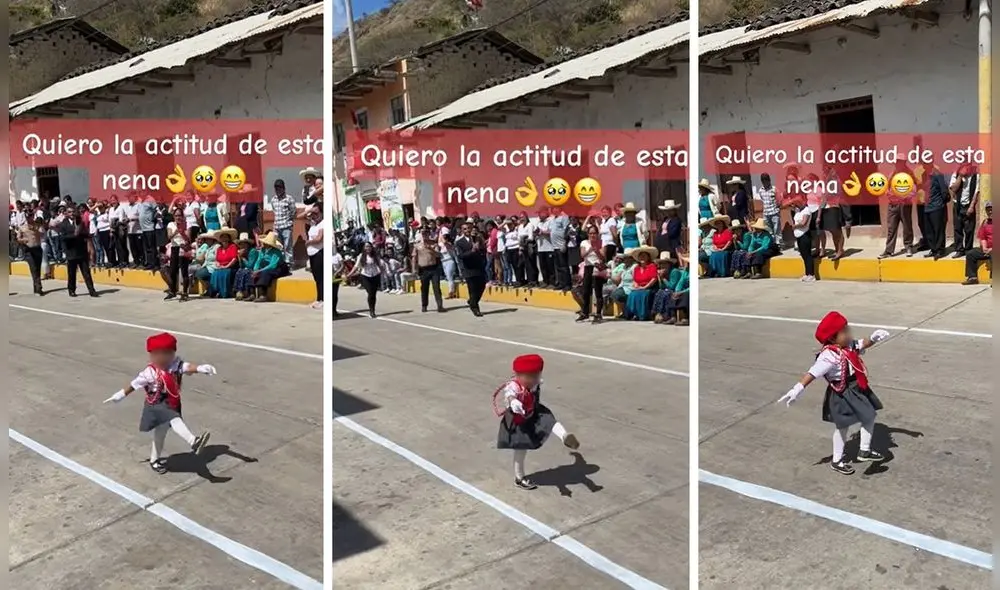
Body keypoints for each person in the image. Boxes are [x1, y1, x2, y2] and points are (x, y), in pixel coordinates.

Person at [778, 312, 891, 475]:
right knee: (843, 426)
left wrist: (873, 338)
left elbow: (862, 344)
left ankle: (864, 451)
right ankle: (838, 460)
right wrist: (797, 389)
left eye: (847, 329)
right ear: (832, 338)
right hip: (842, 392)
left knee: (869, 416)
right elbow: (812, 373)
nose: (848, 333)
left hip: (856, 387)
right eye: (844, 331)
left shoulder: (848, 345)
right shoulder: (829, 355)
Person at [102, 333, 215, 474]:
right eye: (157, 354)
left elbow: (187, 367)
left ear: (173, 354)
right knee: (173, 418)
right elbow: (134, 384)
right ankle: (194, 442)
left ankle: (154, 460)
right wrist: (120, 395)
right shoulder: (149, 373)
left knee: (160, 434)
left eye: (167, 354)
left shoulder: (175, 365)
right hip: (156, 404)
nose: (162, 358)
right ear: (151, 355)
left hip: (171, 401)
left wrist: (200, 368)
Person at [492, 354, 579, 490]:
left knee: (550, 421)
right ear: (519, 375)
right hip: (519, 421)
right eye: (532, 377)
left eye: (537, 375)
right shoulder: (514, 385)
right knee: (521, 449)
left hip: (534, 412)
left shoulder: (535, 382)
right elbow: (509, 394)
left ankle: (565, 436)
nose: (536, 380)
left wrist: (577, 458)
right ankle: (519, 478)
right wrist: (513, 401)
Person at [56, 205, 99, 298]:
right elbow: (63, 237)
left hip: (81, 251)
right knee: (71, 273)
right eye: (70, 212)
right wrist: (74, 235)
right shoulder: (63, 224)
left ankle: (91, 290)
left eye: (73, 212)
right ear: (66, 214)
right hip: (71, 252)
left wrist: (83, 236)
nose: (72, 214)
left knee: (86, 273)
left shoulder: (80, 222)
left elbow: (85, 234)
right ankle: (71, 290)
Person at [578, 225, 608, 323]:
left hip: (597, 267)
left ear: (597, 234)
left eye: (594, 233)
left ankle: (598, 313)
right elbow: (582, 255)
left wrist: (597, 251)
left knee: (598, 291)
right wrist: (590, 250)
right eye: (590, 233)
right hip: (588, 267)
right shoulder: (584, 243)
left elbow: (604, 257)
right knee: (586, 291)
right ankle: (585, 312)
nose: (592, 235)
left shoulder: (602, 242)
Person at [348, 242, 386, 318]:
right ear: (364, 248)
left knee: (373, 294)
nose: (368, 248)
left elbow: (380, 265)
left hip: (375, 275)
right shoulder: (361, 256)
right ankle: (371, 310)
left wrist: (383, 273)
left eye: (369, 246)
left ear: (371, 247)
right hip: (365, 276)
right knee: (370, 293)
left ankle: (372, 310)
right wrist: (349, 274)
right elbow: (356, 266)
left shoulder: (375, 256)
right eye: (366, 247)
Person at [456, 223, 487, 317]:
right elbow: (460, 256)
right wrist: (472, 251)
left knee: (482, 286)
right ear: (462, 231)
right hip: (468, 268)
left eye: (469, 228)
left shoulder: (477, 239)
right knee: (472, 289)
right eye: (465, 229)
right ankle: (475, 308)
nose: (467, 230)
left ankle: (472, 301)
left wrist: (480, 247)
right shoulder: (459, 242)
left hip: (479, 266)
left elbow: (483, 250)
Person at [412, 229, 445, 313]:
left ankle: (440, 305)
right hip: (423, 269)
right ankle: (424, 305)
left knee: (436, 287)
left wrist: (431, 248)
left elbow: (439, 255)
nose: (424, 235)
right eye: (423, 234)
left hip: (434, 268)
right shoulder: (417, 245)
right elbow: (414, 258)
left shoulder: (433, 244)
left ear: (429, 234)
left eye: (426, 233)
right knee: (424, 288)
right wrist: (414, 269)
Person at [950, 165, 980, 258]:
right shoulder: (956, 173)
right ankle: (959, 250)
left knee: (969, 229)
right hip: (957, 205)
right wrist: (960, 176)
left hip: (969, 205)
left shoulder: (976, 174)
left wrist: (971, 206)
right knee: (958, 228)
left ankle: (968, 250)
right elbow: (953, 189)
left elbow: (976, 192)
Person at [164, 207, 194, 301]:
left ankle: (185, 292)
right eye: (176, 215)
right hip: (174, 248)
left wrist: (183, 233)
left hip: (183, 248)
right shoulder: (171, 224)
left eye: (180, 215)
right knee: (172, 270)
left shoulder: (187, 224)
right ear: (174, 216)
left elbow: (189, 238)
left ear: (182, 216)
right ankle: (173, 291)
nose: (178, 217)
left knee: (184, 271)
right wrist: (175, 232)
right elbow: (169, 236)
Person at [923, 159, 950, 259]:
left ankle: (940, 250)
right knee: (929, 231)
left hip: (937, 207)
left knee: (938, 230)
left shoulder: (938, 174)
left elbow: (944, 191)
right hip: (927, 207)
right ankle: (933, 249)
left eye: (926, 163)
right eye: (923, 163)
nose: (924, 165)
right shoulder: (924, 175)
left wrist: (941, 204)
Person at [624, 245, 659, 321]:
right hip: (640, 287)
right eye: (640, 256)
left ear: (648, 257)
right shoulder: (636, 268)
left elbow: (654, 279)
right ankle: (633, 314)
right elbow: (635, 280)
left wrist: (645, 287)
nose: (642, 257)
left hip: (650, 287)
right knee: (632, 294)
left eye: (644, 256)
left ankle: (643, 315)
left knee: (644, 294)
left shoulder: (652, 266)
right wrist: (636, 285)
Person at [963, 201, 992, 285]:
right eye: (988, 210)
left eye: (992, 210)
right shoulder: (985, 222)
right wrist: (985, 248)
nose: (990, 212)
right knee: (970, 254)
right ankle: (972, 277)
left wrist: (992, 249)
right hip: (987, 249)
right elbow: (983, 237)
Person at [17, 214, 46, 295]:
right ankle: (39, 287)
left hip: (37, 249)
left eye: (31, 216)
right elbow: (18, 238)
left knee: (38, 269)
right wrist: (23, 240)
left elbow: (42, 232)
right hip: (28, 250)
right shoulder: (22, 228)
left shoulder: (37, 226)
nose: (30, 218)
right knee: (33, 269)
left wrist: (37, 228)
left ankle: (36, 288)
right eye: (28, 217)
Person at [271, 180, 297, 265]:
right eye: (276, 188)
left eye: (279, 187)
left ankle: (289, 264)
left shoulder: (289, 198)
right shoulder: (273, 199)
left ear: (283, 188)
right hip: (277, 227)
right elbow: (275, 212)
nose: (277, 189)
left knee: (287, 246)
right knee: (279, 246)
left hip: (286, 226)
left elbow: (293, 212)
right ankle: (282, 264)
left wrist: (289, 222)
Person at [210, 228, 239, 298]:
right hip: (221, 267)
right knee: (215, 273)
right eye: (222, 237)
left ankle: (225, 293)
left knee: (224, 274)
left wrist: (226, 266)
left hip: (231, 267)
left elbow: (234, 259)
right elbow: (216, 260)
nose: (224, 239)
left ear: (229, 238)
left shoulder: (232, 247)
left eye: (226, 237)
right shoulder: (219, 248)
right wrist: (218, 265)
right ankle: (216, 291)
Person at [792, 201, 816, 282]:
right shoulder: (798, 211)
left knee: (807, 255)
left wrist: (794, 226)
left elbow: (804, 223)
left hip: (805, 235)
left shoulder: (806, 210)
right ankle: (807, 273)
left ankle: (811, 274)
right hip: (798, 235)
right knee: (803, 255)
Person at [305, 207, 325, 309]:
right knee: (316, 278)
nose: (314, 216)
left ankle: (323, 299)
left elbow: (319, 238)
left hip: (319, 253)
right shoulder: (313, 225)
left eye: (316, 214)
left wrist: (309, 242)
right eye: (313, 214)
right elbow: (300, 217)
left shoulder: (323, 223)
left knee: (321, 277)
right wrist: (309, 211)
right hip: (312, 253)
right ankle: (318, 298)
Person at [234, 233, 258, 301]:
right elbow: (241, 266)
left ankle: (245, 292)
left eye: (244, 243)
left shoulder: (252, 251)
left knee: (245, 272)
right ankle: (239, 291)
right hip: (246, 268)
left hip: (254, 269)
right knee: (239, 271)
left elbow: (250, 265)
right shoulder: (243, 252)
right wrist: (240, 258)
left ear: (248, 244)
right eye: (241, 244)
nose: (242, 245)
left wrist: (243, 258)